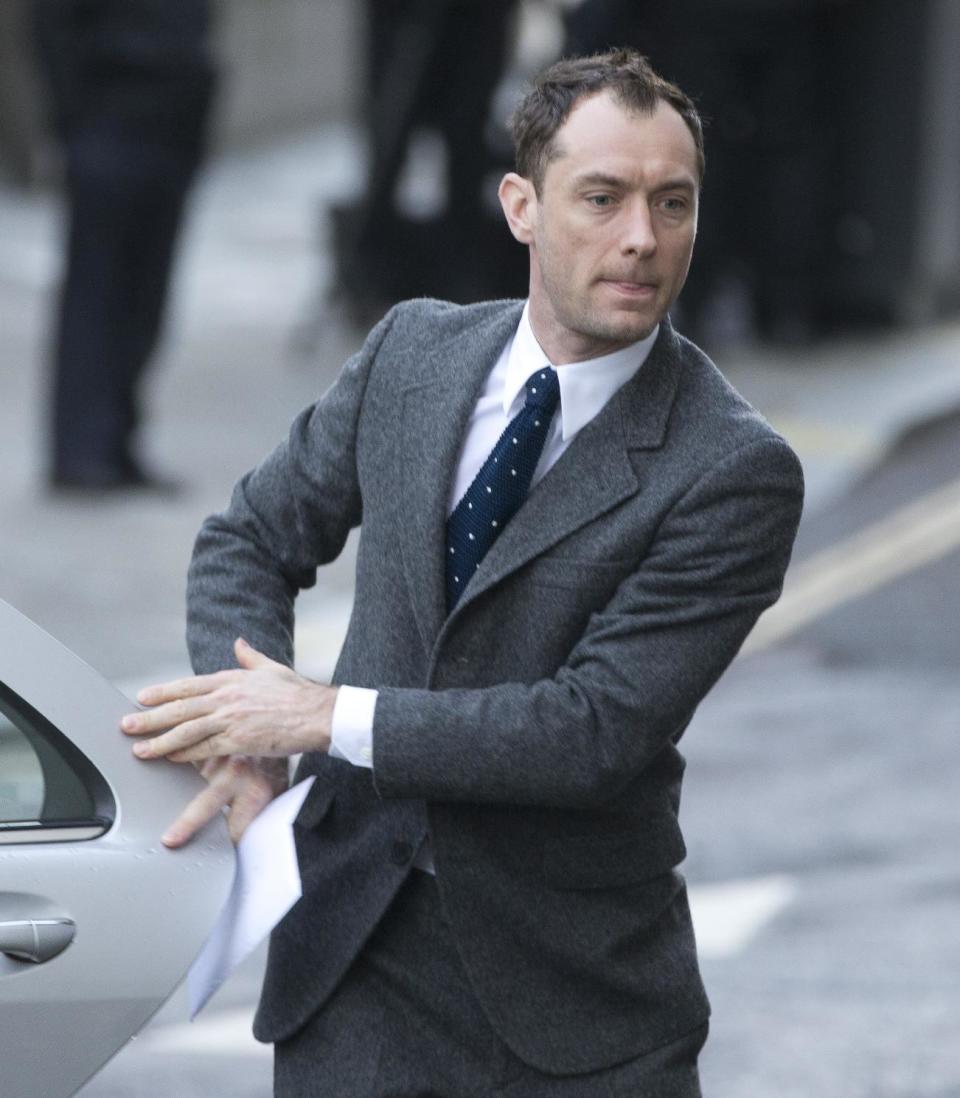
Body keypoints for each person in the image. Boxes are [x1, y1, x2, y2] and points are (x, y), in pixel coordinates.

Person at [121, 49, 804, 1096]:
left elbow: (593, 733)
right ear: (521, 206)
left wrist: (319, 717)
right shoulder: (411, 355)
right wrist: (244, 739)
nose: (643, 239)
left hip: (572, 1010)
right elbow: (250, 538)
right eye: (604, 198)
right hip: (353, 962)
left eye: (675, 204)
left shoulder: (733, 468)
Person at [33, 0, 216, 492]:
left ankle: (117, 439)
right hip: (109, 106)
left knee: (145, 293)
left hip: (175, 107)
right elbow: (49, 21)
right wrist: (71, 121)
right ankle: (79, 451)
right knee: (97, 288)